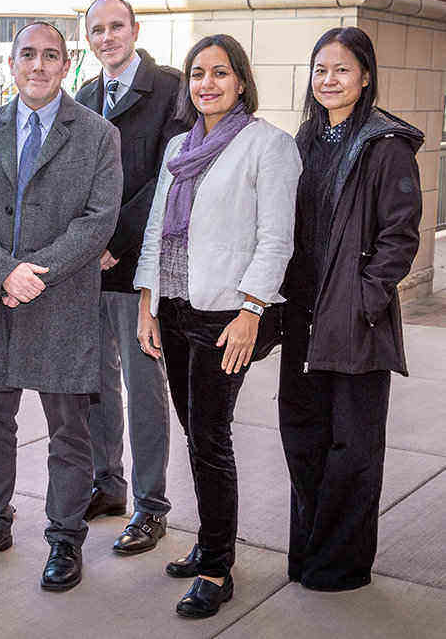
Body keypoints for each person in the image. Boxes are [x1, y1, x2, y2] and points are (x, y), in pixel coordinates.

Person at [0, 22, 122, 592]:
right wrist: (4, 271)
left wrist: (35, 274)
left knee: (69, 431)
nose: (39, 65)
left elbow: (98, 220)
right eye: (28, 55)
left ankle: (65, 538)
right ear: (12, 63)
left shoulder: (97, 135)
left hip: (61, 300)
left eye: (51, 56)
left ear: (66, 64)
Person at [134, 34, 301, 618]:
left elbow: (277, 237)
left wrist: (252, 312)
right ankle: (209, 544)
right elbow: (157, 226)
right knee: (197, 436)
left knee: (210, 440)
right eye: (198, 73)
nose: (208, 83)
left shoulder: (268, 146)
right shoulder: (179, 145)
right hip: (176, 308)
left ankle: (215, 567)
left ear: (241, 80)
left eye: (220, 73)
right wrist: (147, 302)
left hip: (225, 315)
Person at [278, 27, 422, 592]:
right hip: (303, 317)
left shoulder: (384, 145)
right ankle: (309, 553)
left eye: (341, 69)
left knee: (353, 448)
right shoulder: (307, 140)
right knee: (303, 435)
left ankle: (340, 565)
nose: (329, 80)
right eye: (320, 70)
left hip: (354, 322)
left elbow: (399, 238)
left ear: (365, 76)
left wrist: (365, 297)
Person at [75, 0, 187, 552]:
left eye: (116, 26)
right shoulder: (83, 96)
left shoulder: (171, 90)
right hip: (89, 269)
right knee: (94, 382)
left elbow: (171, 177)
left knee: (144, 388)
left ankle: (151, 505)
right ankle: (107, 484)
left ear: (135, 29)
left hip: (140, 265)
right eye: (97, 29)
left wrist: (112, 240)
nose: (107, 37)